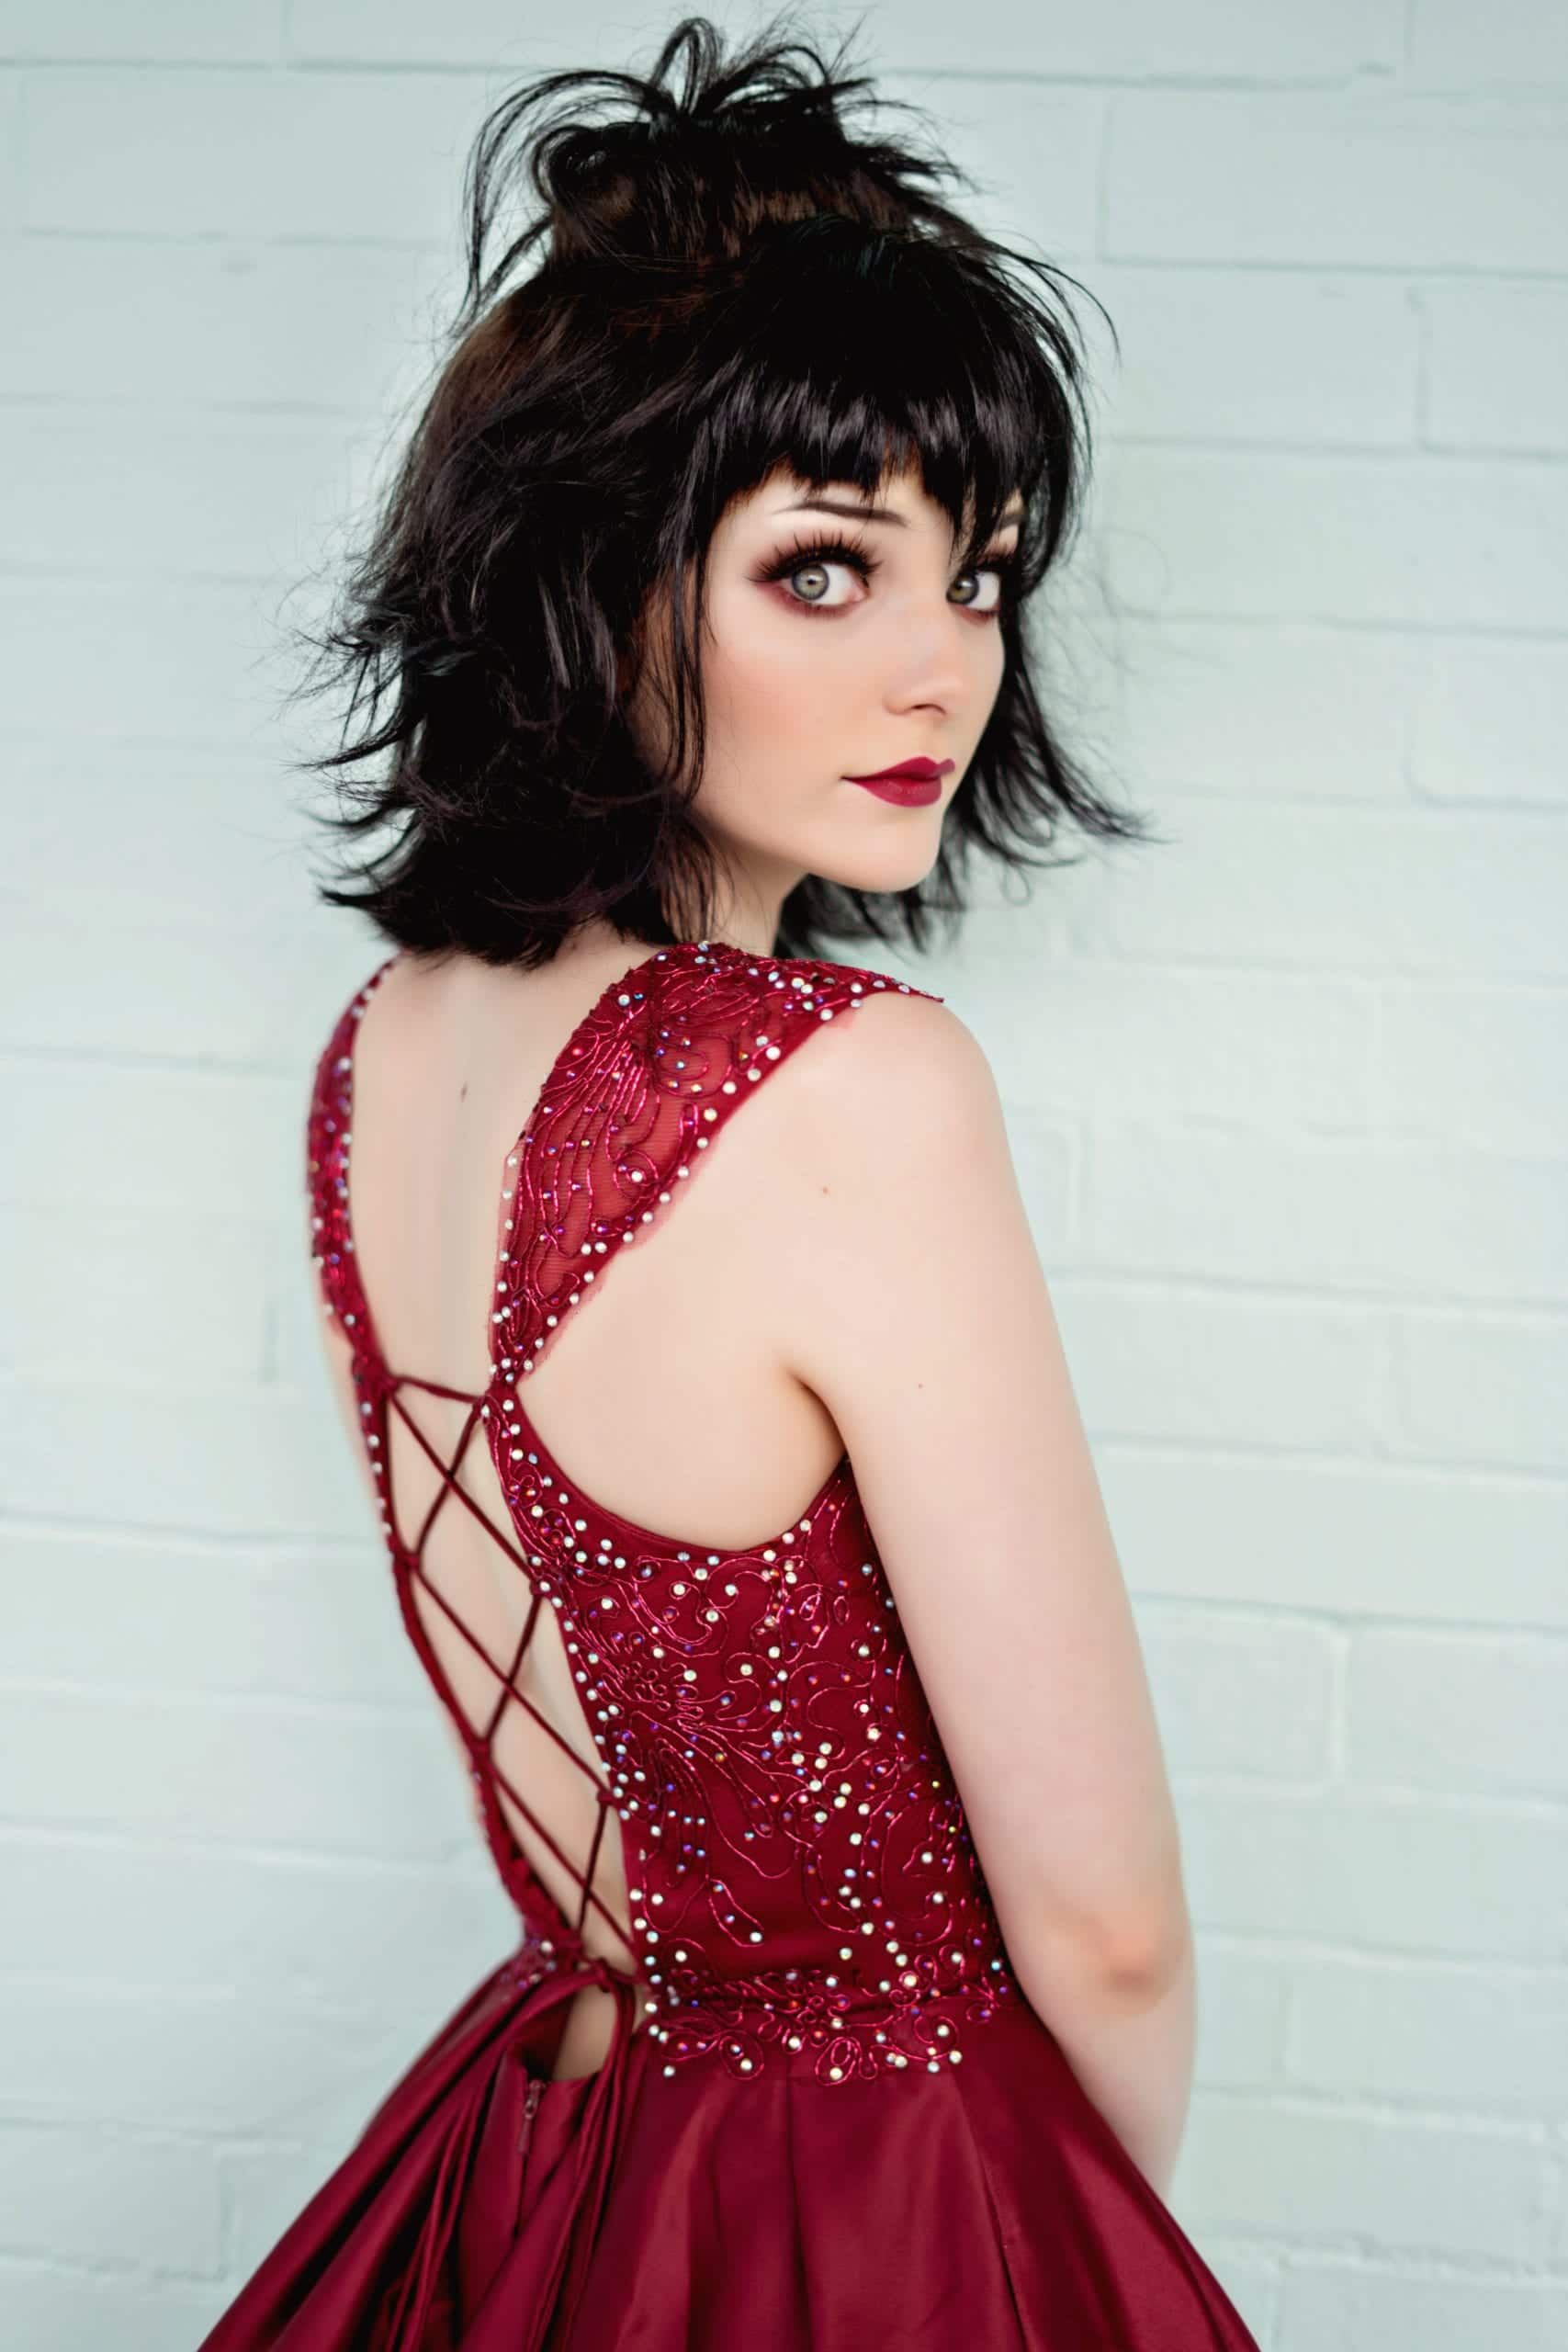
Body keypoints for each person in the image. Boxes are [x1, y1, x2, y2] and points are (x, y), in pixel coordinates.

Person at [202, 13, 1262, 2346]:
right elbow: (1103, 1927)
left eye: (974, 572)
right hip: (864, 2190)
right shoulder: (853, 1088)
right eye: (820, 571)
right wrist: (1051, 2258)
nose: (938, 669)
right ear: (589, 581)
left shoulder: (378, 1050)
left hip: (547, 2138)